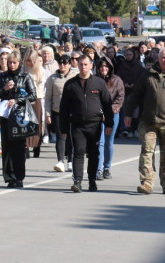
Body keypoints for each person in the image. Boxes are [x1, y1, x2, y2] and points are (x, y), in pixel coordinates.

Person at [123, 46, 165, 194]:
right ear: (158, 59)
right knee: (147, 152)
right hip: (149, 122)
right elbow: (135, 95)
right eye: (163, 57)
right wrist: (128, 114)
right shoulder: (147, 74)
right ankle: (147, 183)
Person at [58, 54, 113, 193]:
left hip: (95, 125)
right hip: (77, 125)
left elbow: (107, 104)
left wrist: (110, 124)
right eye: (81, 64)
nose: (83, 67)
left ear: (91, 66)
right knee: (78, 152)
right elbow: (64, 108)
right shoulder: (70, 84)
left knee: (94, 154)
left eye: (86, 64)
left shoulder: (99, 83)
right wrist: (63, 127)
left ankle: (92, 180)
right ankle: (77, 181)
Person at [0, 51, 38, 188]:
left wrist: (17, 100)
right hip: (6, 115)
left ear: (19, 63)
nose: (12, 65)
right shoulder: (3, 76)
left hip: (20, 116)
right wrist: (5, 89)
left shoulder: (25, 77)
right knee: (6, 147)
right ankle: (9, 177)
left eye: (14, 62)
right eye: (9, 62)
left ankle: (19, 177)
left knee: (18, 147)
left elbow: (33, 96)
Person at [43, 53, 76, 173]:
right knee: (61, 136)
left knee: (71, 137)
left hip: (72, 112)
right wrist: (48, 114)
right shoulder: (52, 78)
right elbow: (48, 98)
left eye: (65, 63)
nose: (62, 65)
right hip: (57, 111)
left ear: (69, 64)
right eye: (60, 62)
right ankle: (61, 161)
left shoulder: (75, 76)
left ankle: (71, 161)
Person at [95, 56, 124, 180]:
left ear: (110, 67)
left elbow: (120, 98)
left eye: (106, 66)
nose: (103, 69)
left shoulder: (117, 80)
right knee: (100, 142)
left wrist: (110, 111)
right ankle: (99, 169)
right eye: (101, 66)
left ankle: (107, 168)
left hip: (112, 115)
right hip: (98, 115)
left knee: (108, 142)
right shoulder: (94, 80)